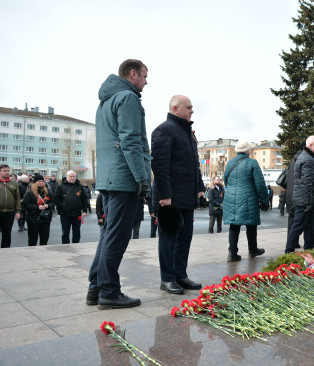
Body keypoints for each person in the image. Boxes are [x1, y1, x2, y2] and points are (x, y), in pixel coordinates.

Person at [87, 59, 152, 310]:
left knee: (107, 236)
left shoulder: (105, 101)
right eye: (145, 76)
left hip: (109, 177)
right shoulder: (128, 98)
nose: (147, 81)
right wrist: (142, 179)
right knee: (116, 237)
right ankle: (109, 292)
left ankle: (96, 287)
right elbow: (131, 141)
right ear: (132, 73)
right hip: (124, 177)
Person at [151, 94, 205, 295]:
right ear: (175, 108)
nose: (192, 110)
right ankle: (167, 278)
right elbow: (160, 166)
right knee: (168, 239)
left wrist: (200, 188)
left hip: (187, 196)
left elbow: (194, 165)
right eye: (188, 107)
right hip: (170, 198)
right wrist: (165, 195)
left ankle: (180, 274)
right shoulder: (164, 130)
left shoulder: (187, 132)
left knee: (184, 238)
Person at [223, 140, 269, 261]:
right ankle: (253, 249)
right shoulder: (252, 163)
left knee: (234, 225)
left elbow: (226, 180)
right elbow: (260, 184)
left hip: (231, 197)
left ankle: (232, 253)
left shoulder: (229, 163)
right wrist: (265, 200)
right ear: (249, 151)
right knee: (251, 225)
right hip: (249, 197)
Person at [285, 136, 314, 253]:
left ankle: (309, 249)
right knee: (298, 225)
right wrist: (308, 203)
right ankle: (289, 251)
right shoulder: (308, 160)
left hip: (306, 199)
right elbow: (307, 183)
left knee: (309, 226)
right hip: (305, 200)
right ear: (311, 145)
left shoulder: (306, 157)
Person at [54, 170, 89, 244]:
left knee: (77, 232)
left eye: (74, 176)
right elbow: (56, 198)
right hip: (65, 214)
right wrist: (62, 206)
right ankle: (65, 247)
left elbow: (84, 199)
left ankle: (76, 246)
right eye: (70, 176)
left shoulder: (80, 186)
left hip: (77, 214)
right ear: (66, 177)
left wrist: (85, 210)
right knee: (65, 233)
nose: (72, 178)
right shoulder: (60, 186)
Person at [22, 173, 54, 246]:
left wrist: (48, 206)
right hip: (33, 219)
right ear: (35, 182)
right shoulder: (30, 192)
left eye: (42, 181)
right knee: (33, 239)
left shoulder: (47, 192)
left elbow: (53, 202)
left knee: (44, 238)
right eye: (39, 181)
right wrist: (37, 207)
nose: (41, 182)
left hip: (45, 219)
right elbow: (26, 204)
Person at [0, 164, 21, 248]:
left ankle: (5, 250)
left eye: (8, 171)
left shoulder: (13, 184)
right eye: (4, 171)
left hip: (9, 212)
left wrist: (18, 211)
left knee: (7, 233)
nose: (7, 172)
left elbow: (18, 198)